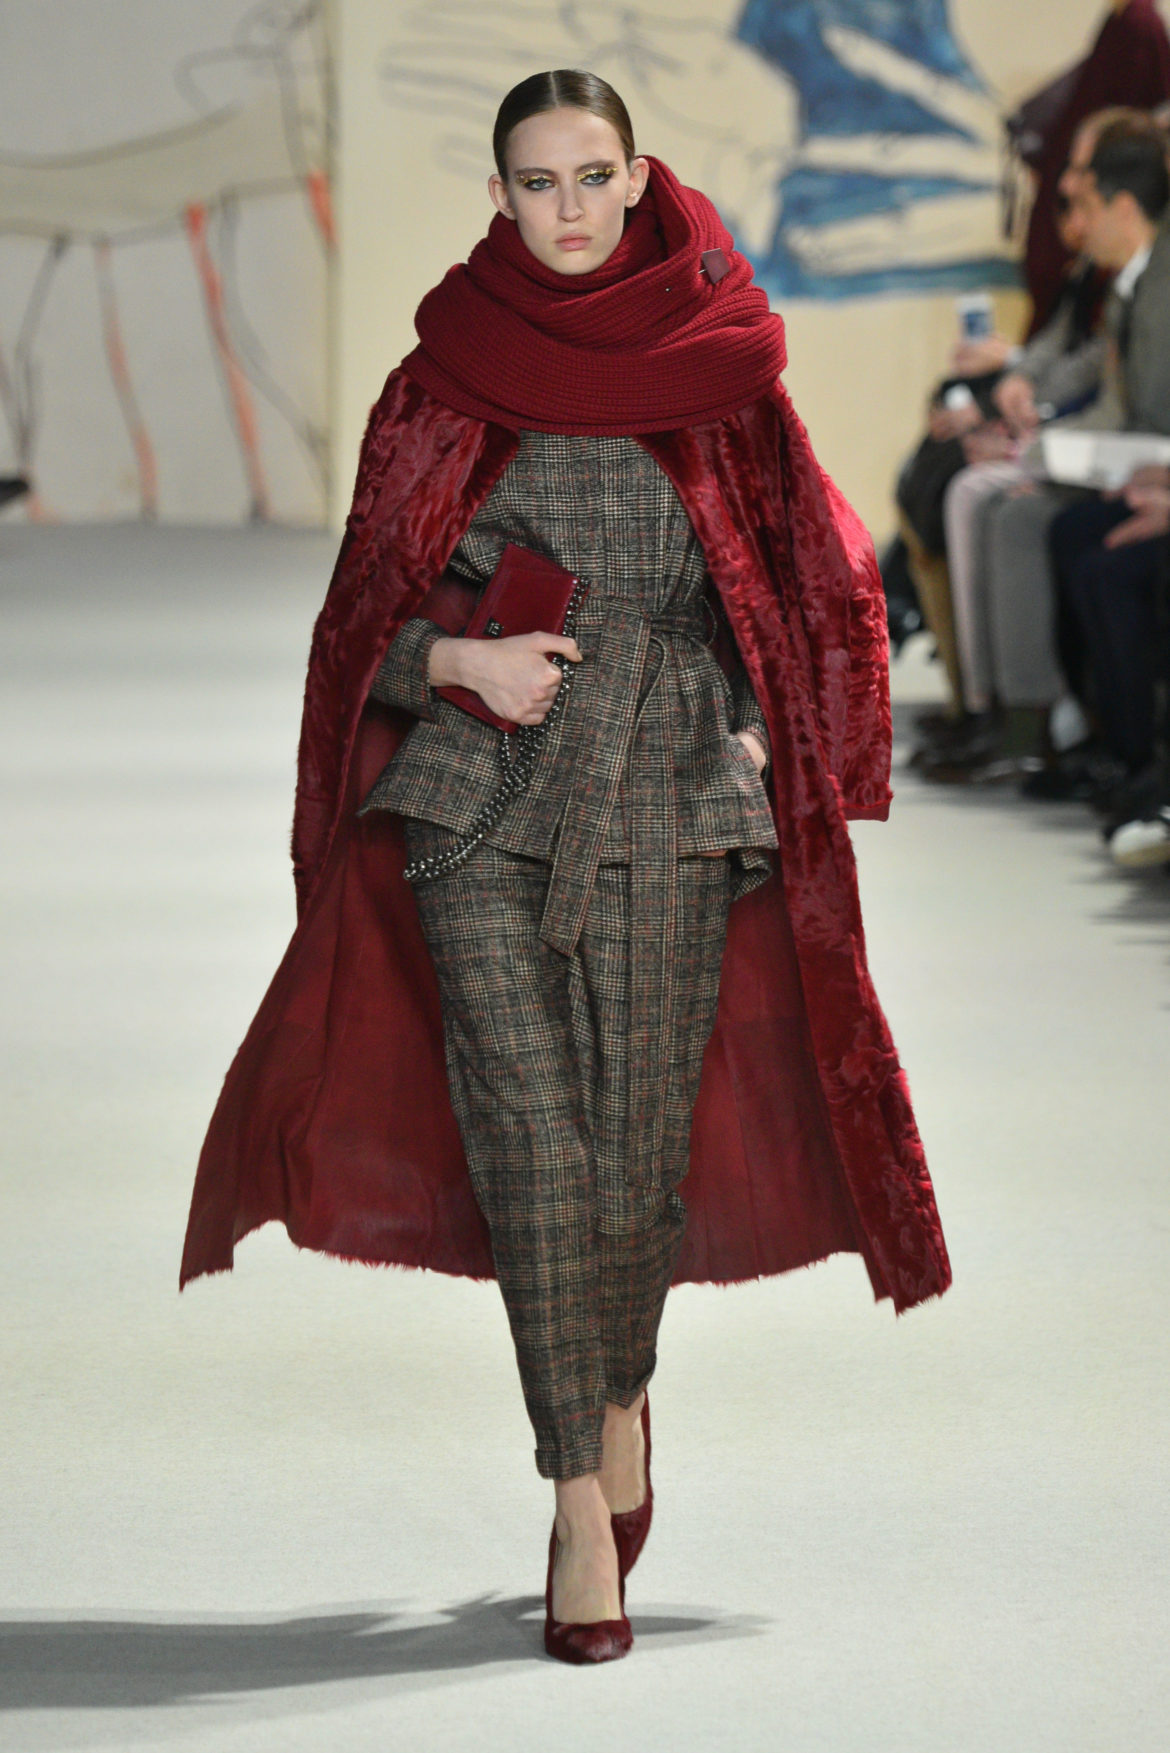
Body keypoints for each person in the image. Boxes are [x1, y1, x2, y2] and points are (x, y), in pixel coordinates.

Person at [180, 70, 951, 1666]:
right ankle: (576, 1500)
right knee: (528, 1139)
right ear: (499, 196)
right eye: (537, 184)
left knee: (632, 1158)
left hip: (673, 793)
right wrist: (455, 664)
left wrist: (771, 733)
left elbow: (806, 569)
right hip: (476, 789)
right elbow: (360, 617)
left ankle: (615, 1394)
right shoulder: (443, 374)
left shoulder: (721, 366)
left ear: (639, 176)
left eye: (592, 177)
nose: (569, 210)